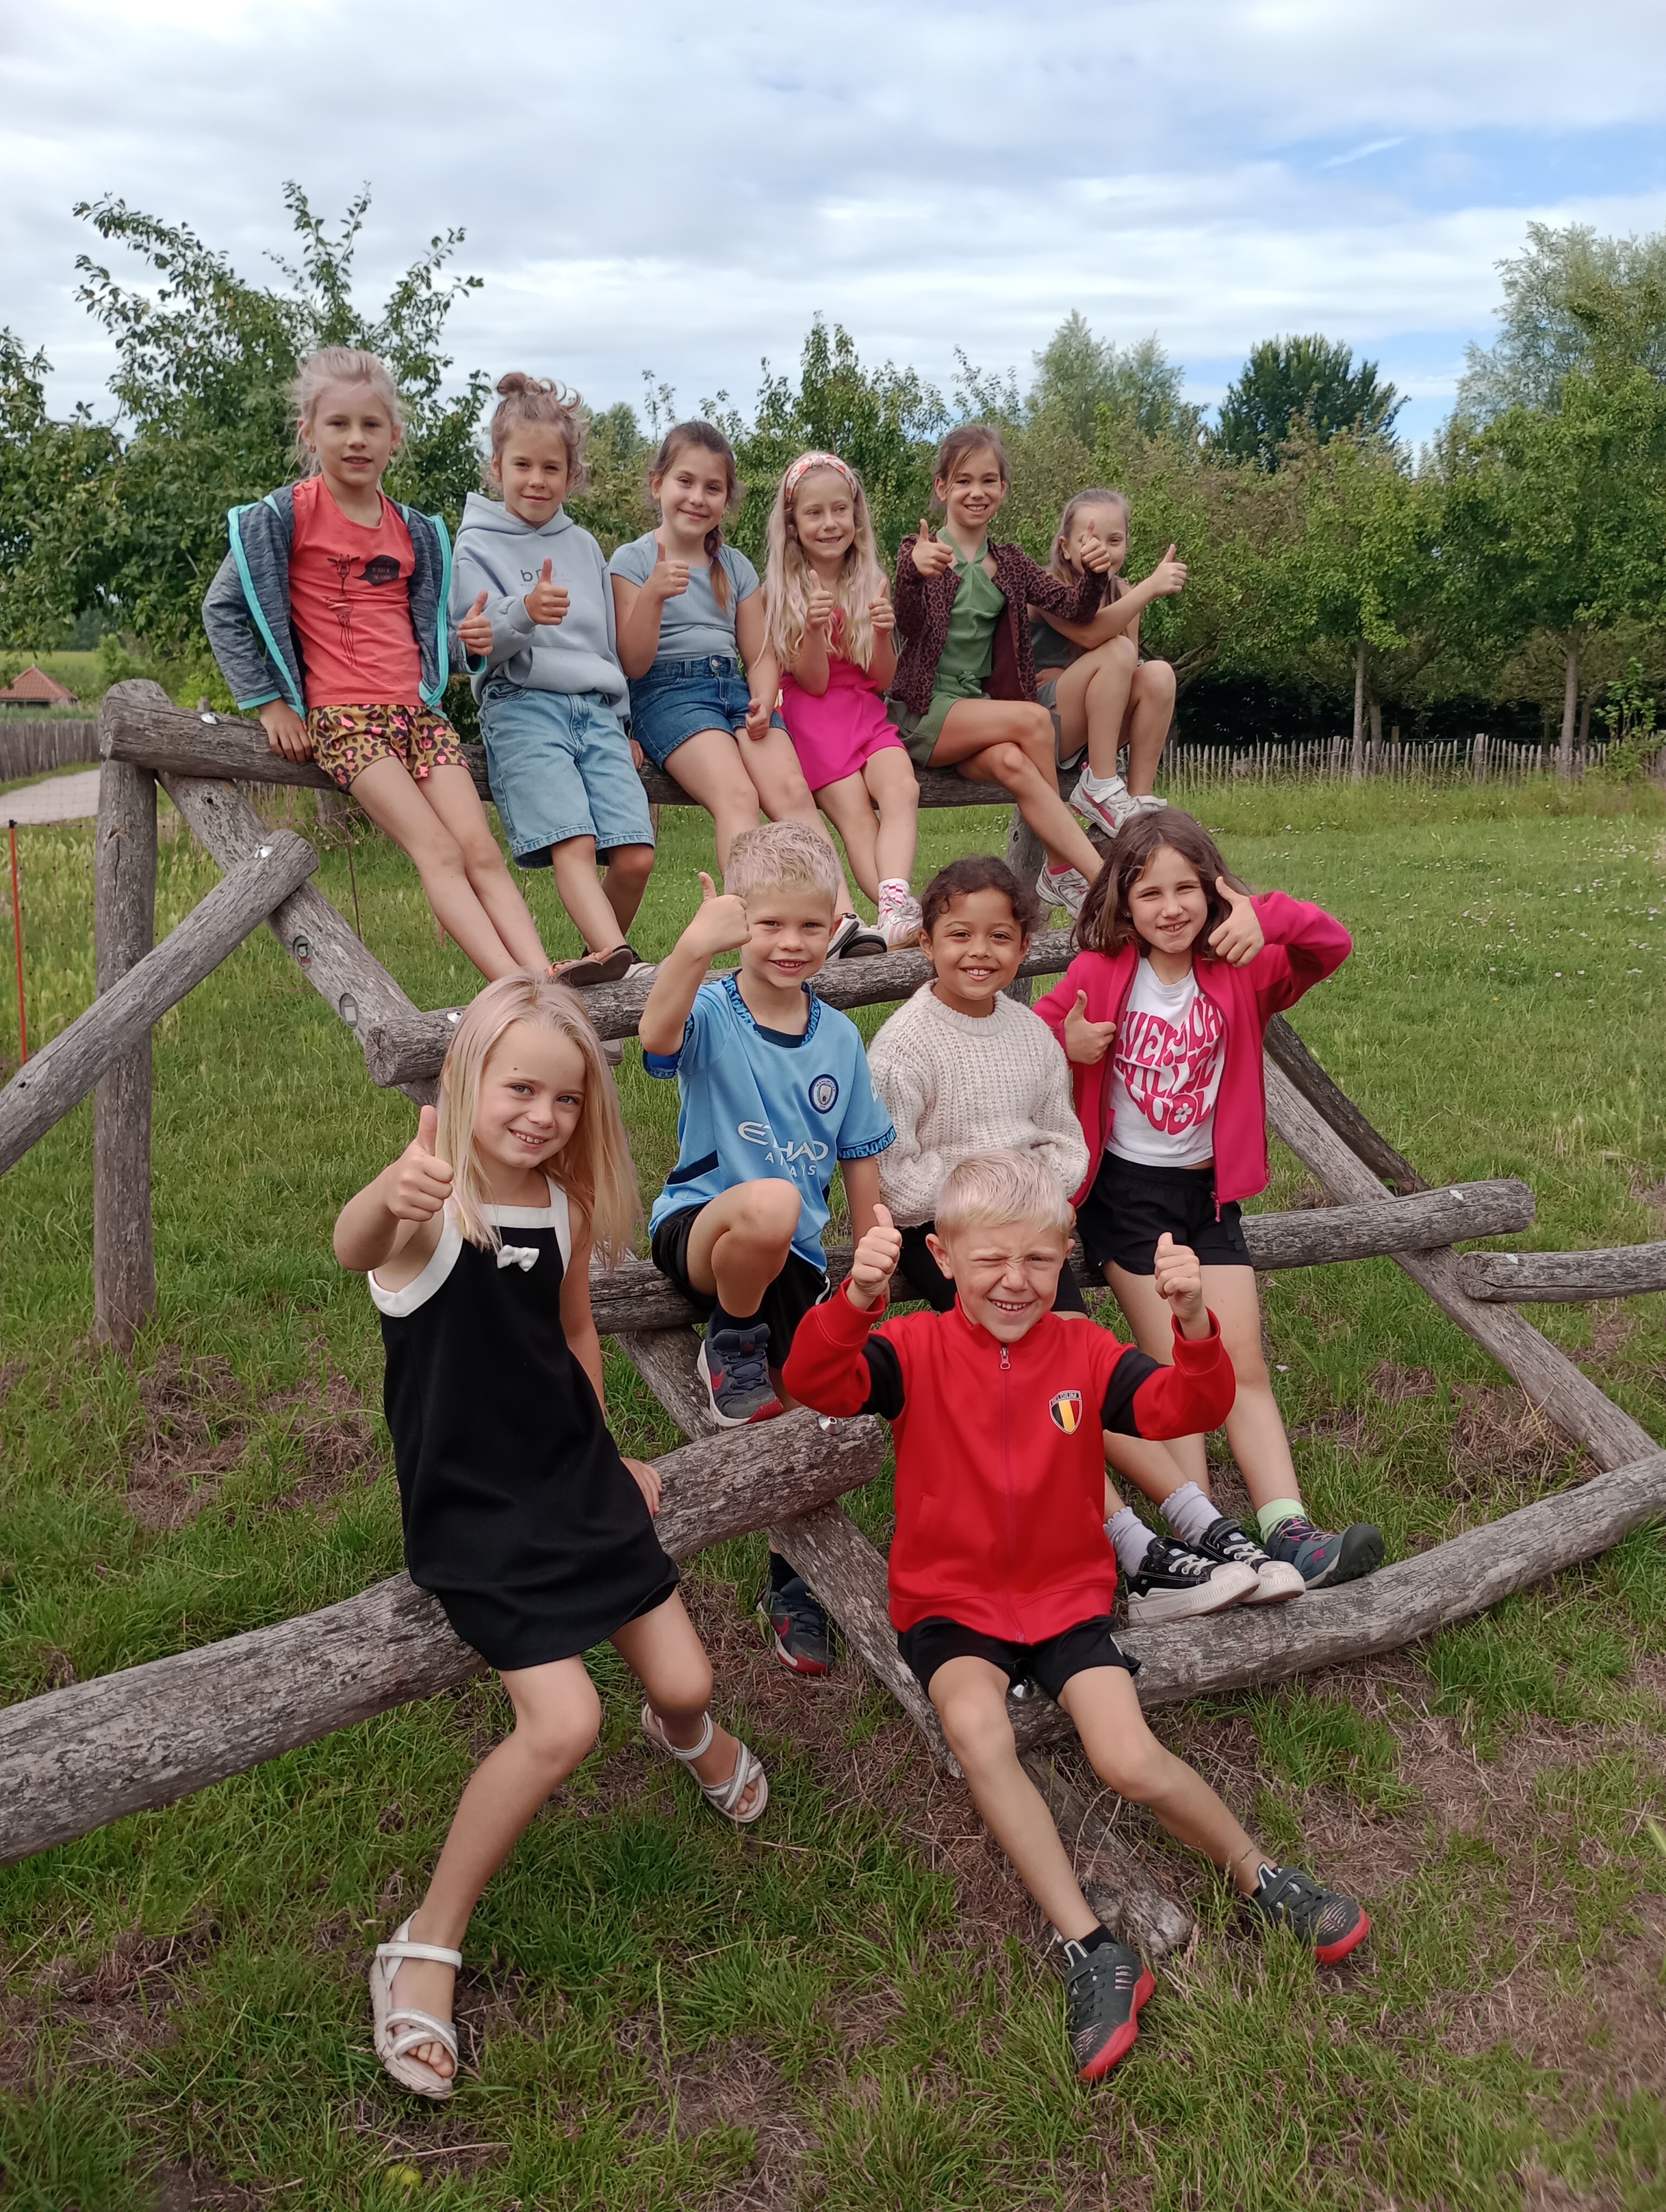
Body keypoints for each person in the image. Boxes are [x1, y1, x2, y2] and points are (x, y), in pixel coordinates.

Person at [783, 1150, 1370, 2082]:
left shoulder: (1085, 1352)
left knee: (1127, 1757)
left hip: (1064, 1599)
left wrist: (1191, 1322)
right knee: (977, 1734)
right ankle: (1091, 1946)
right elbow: (815, 1381)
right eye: (989, 1263)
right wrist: (856, 1301)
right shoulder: (912, 1349)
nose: (1015, 1283)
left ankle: (1261, 1876)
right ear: (942, 1256)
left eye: (1040, 1263)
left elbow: (1189, 1403)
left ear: (1066, 1258)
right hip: (951, 1604)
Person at [337, 972, 767, 2099]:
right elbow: (353, 1246)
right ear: (468, 1079)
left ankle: (683, 1736)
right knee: (562, 1721)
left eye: (567, 1100)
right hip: (479, 1510)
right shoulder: (426, 1218)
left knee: (688, 1678)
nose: (542, 1115)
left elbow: (572, 1328)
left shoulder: (562, 1209)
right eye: (519, 1088)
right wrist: (392, 1192)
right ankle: (422, 1945)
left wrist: (611, 1449)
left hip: (572, 1484)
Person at [867, 854, 1277, 1624]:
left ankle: (1198, 1525)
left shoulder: (1029, 1035)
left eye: (999, 936)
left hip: (1031, 1238)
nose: (978, 952)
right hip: (958, 1250)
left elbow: (1065, 1143)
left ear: (1025, 949)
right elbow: (897, 1177)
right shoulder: (902, 1047)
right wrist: (989, 1191)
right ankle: (1138, 1549)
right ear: (926, 943)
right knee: (1047, 1384)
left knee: (1079, 1366)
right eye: (959, 935)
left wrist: (1033, 1193)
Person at [1034, 809, 1386, 1590]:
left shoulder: (1243, 965)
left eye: (1186, 888)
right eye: (1149, 892)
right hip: (1126, 1195)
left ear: (1214, 889)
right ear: (1123, 904)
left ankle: (1286, 1527)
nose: (1170, 908)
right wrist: (1066, 1044)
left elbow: (1331, 944)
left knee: (1243, 1363)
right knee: (1176, 1368)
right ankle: (1209, 1536)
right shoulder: (1100, 973)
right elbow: (1029, 1039)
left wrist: (1266, 914)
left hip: (1209, 1194)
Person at [201, 346, 549, 981]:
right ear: (309, 432)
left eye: (372, 426)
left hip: (418, 715)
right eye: (339, 425)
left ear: (395, 437)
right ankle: (516, 987)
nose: (356, 440)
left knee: (481, 850)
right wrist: (269, 701)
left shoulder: (414, 531)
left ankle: (545, 977)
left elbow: (425, 635)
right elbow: (223, 608)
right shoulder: (285, 517)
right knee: (438, 850)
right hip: (346, 719)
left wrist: (464, 642)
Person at [638, 821, 895, 1674]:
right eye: (767, 924)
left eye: (809, 926)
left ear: (834, 925)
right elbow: (654, 1038)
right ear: (735, 920)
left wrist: (870, 1251)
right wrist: (690, 951)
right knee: (774, 1203)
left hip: (799, 1261)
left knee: (814, 1426)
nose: (789, 943)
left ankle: (794, 1584)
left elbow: (859, 1153)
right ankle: (730, 1341)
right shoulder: (714, 1007)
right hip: (705, 1225)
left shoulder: (838, 1040)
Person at [608, 421, 882, 956]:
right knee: (737, 795)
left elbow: (758, 652)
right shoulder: (635, 561)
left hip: (733, 690)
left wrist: (762, 696)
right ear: (657, 483)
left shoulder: (733, 567)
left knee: (793, 793)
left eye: (713, 488)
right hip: (667, 695)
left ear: (727, 499)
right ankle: (755, 930)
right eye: (685, 482)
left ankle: (841, 918)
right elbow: (633, 662)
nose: (698, 497)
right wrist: (652, 599)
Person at [452, 375, 654, 986]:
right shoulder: (476, 543)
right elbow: (476, 647)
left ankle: (597, 966)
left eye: (551, 468)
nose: (536, 481)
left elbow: (606, 646)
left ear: (572, 475)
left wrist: (624, 723)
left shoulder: (585, 545)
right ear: (497, 467)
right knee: (575, 842)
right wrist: (524, 613)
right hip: (524, 705)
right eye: (522, 466)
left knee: (636, 857)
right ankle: (624, 966)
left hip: (596, 711)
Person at [886, 423, 1113, 923]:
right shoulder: (920, 552)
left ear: (1004, 491)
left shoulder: (1010, 563)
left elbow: (1073, 609)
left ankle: (1086, 884)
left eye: (989, 481)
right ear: (943, 488)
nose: (977, 492)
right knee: (1033, 721)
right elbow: (908, 625)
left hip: (979, 714)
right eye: (963, 481)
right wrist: (912, 574)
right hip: (925, 712)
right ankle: (1091, 879)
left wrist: (1095, 574)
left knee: (1014, 762)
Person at [756, 451, 922, 948]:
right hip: (815, 712)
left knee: (903, 789)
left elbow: (880, 677)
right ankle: (885, 917)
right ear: (792, 523)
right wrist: (811, 630)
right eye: (814, 513)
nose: (830, 524)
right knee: (855, 816)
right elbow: (814, 683)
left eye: (840, 511)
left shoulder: (868, 581)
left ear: (856, 515)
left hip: (865, 710)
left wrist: (885, 632)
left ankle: (894, 899)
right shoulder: (779, 591)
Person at [1030, 488, 1186, 835]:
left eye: (1115, 539)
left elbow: (1127, 669)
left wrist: (1083, 675)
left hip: (1095, 723)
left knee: (1159, 673)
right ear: (1065, 546)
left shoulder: (1126, 595)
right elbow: (1089, 635)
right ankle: (1100, 785)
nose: (1102, 548)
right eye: (1089, 538)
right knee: (1117, 650)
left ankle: (1138, 801)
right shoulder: (1045, 586)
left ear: (1127, 545)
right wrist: (1150, 588)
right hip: (1046, 723)